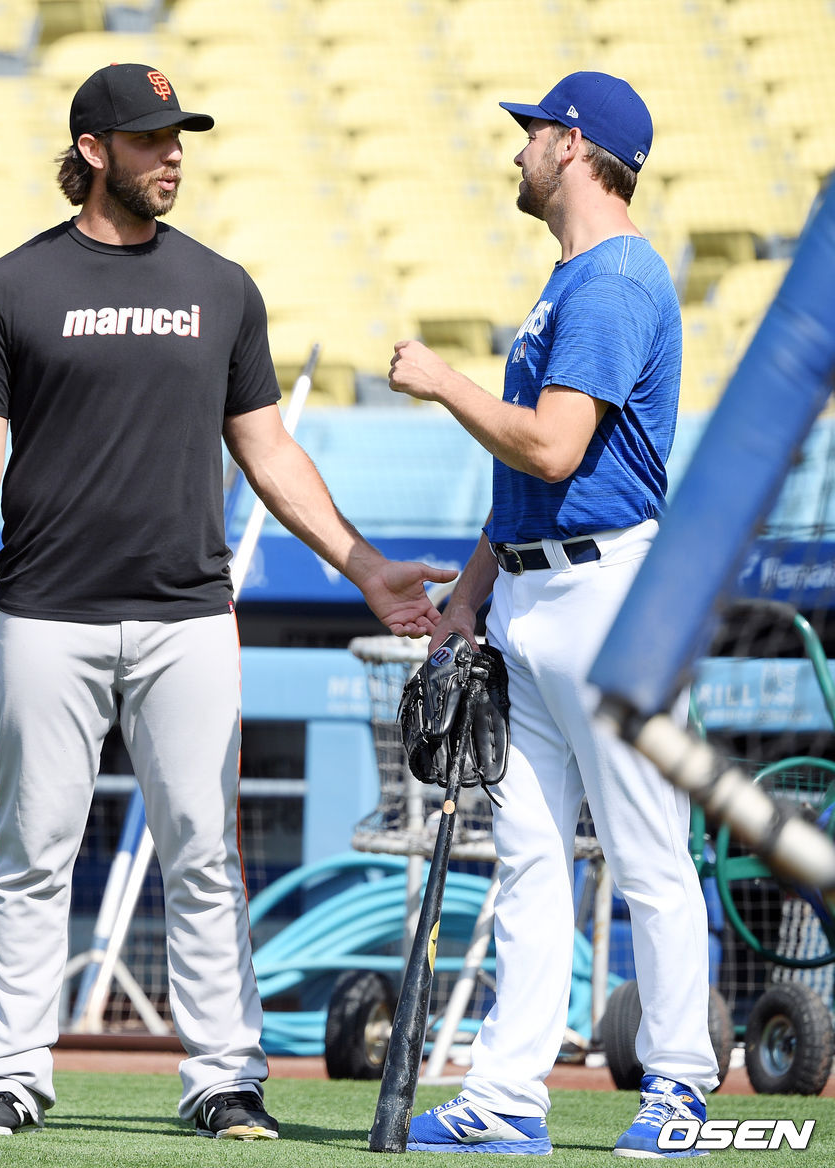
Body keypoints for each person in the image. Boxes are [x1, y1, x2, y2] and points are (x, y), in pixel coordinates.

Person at [0, 63, 456, 1142]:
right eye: (151, 139)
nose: (173, 155)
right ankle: (8, 1075)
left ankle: (223, 1078)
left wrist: (366, 566)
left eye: (180, 136)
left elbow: (267, 448)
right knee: (33, 851)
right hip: (46, 611)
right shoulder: (11, 286)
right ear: (94, 150)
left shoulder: (222, 286)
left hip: (191, 615)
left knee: (204, 848)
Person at [388, 72, 719, 1158]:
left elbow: (554, 446)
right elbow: (526, 481)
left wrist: (441, 383)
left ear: (574, 146)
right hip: (535, 583)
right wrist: (473, 593)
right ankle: (506, 1093)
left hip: (610, 591)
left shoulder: (616, 279)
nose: (519, 148)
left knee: (645, 851)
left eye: (534, 131)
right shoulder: (570, 275)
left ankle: (678, 1087)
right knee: (530, 854)